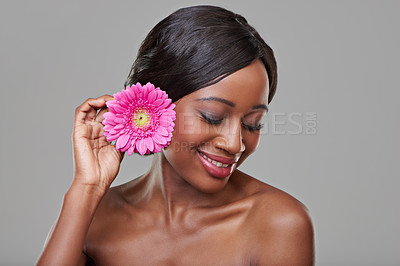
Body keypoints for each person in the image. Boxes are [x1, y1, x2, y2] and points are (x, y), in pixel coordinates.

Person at [37, 5, 314, 265]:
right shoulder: (93, 217)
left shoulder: (278, 223)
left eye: (253, 123)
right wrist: (86, 189)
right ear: (151, 104)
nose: (234, 144)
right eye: (212, 117)